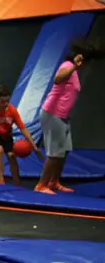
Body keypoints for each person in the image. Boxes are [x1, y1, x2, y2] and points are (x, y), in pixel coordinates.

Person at [36, 39, 102, 194]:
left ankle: (54, 182)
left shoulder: (75, 72)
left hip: (63, 117)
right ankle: (41, 185)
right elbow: (57, 79)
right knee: (54, 154)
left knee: (64, 151)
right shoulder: (67, 66)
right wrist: (73, 66)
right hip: (52, 114)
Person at [0, 83, 43, 185]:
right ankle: (1, 182)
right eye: (2, 102)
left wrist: (35, 147)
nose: (6, 104)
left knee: (12, 156)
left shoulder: (12, 110)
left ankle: (17, 181)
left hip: (6, 135)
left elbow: (23, 129)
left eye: (7, 101)